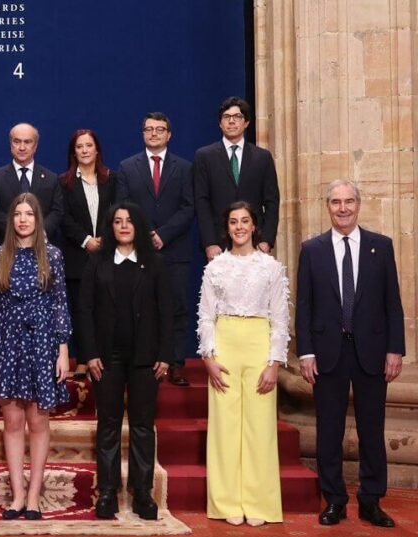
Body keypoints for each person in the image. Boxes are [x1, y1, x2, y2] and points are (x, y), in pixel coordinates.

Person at [296, 180, 405, 528]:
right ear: (326, 206)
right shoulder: (311, 250)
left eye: (348, 202)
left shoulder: (381, 247)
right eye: (335, 202)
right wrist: (306, 353)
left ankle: (372, 501)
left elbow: (393, 303)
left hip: (372, 351)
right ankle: (335, 501)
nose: (342, 208)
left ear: (359, 205)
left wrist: (395, 349)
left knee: (372, 429)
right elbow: (304, 306)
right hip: (328, 352)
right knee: (330, 430)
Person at [79, 203, 173, 521]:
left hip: (145, 358)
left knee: (142, 426)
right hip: (106, 358)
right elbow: (85, 311)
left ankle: (142, 493)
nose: (123, 226)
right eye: (117, 221)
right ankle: (107, 492)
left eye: (129, 221)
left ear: (139, 225)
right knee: (108, 425)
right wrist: (89, 353)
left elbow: (166, 313)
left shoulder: (155, 263)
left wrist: (165, 355)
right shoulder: (96, 262)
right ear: (111, 227)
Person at [198, 202, 289, 527]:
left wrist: (274, 363)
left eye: (245, 221)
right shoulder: (215, 267)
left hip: (258, 343)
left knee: (260, 427)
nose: (239, 227)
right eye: (233, 221)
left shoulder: (271, 267)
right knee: (224, 426)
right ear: (228, 227)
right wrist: (208, 357)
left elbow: (280, 319)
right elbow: (206, 316)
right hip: (225, 342)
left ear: (254, 226)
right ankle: (226, 502)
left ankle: (259, 502)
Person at [0, 193, 71, 520]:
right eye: (17, 214)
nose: (22, 219)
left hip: (43, 342)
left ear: (37, 218)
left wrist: (62, 350)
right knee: (13, 420)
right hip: (7, 342)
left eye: (28, 214)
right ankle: (17, 495)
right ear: (11, 220)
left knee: (37, 419)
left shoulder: (53, 256)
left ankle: (34, 495)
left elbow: (61, 303)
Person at [115, 113, 196, 386]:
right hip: (138, 251)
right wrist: (143, 236)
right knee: (141, 307)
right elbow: (122, 206)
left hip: (175, 249)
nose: (153, 134)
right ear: (142, 134)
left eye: (159, 129)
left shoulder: (185, 168)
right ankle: (145, 360)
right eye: (148, 129)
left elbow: (189, 207)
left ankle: (175, 363)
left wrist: (163, 234)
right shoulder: (127, 167)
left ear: (169, 134)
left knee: (177, 307)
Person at [59, 129, 116, 379]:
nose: (84, 150)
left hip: (107, 255)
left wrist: (105, 238)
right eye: (79, 147)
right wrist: (86, 240)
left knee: (104, 309)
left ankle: (103, 356)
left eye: (88, 145)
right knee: (81, 310)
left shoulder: (111, 179)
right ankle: (83, 359)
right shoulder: (64, 182)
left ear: (96, 150)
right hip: (77, 256)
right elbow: (63, 217)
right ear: (74, 153)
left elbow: (117, 211)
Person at [194, 96, 280, 261]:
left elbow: (272, 201)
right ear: (220, 123)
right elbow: (201, 202)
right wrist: (209, 243)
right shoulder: (204, 156)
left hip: (256, 243)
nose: (231, 121)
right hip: (219, 245)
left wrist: (267, 240)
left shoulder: (262, 157)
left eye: (237, 117)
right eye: (226, 117)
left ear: (246, 122)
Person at [0, 123, 64, 246]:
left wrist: (38, 232)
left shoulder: (51, 178)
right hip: (7, 246)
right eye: (17, 142)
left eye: (27, 142)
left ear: (35, 146)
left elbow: (57, 211)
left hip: (42, 247)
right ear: (11, 145)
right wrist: (15, 231)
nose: (22, 147)